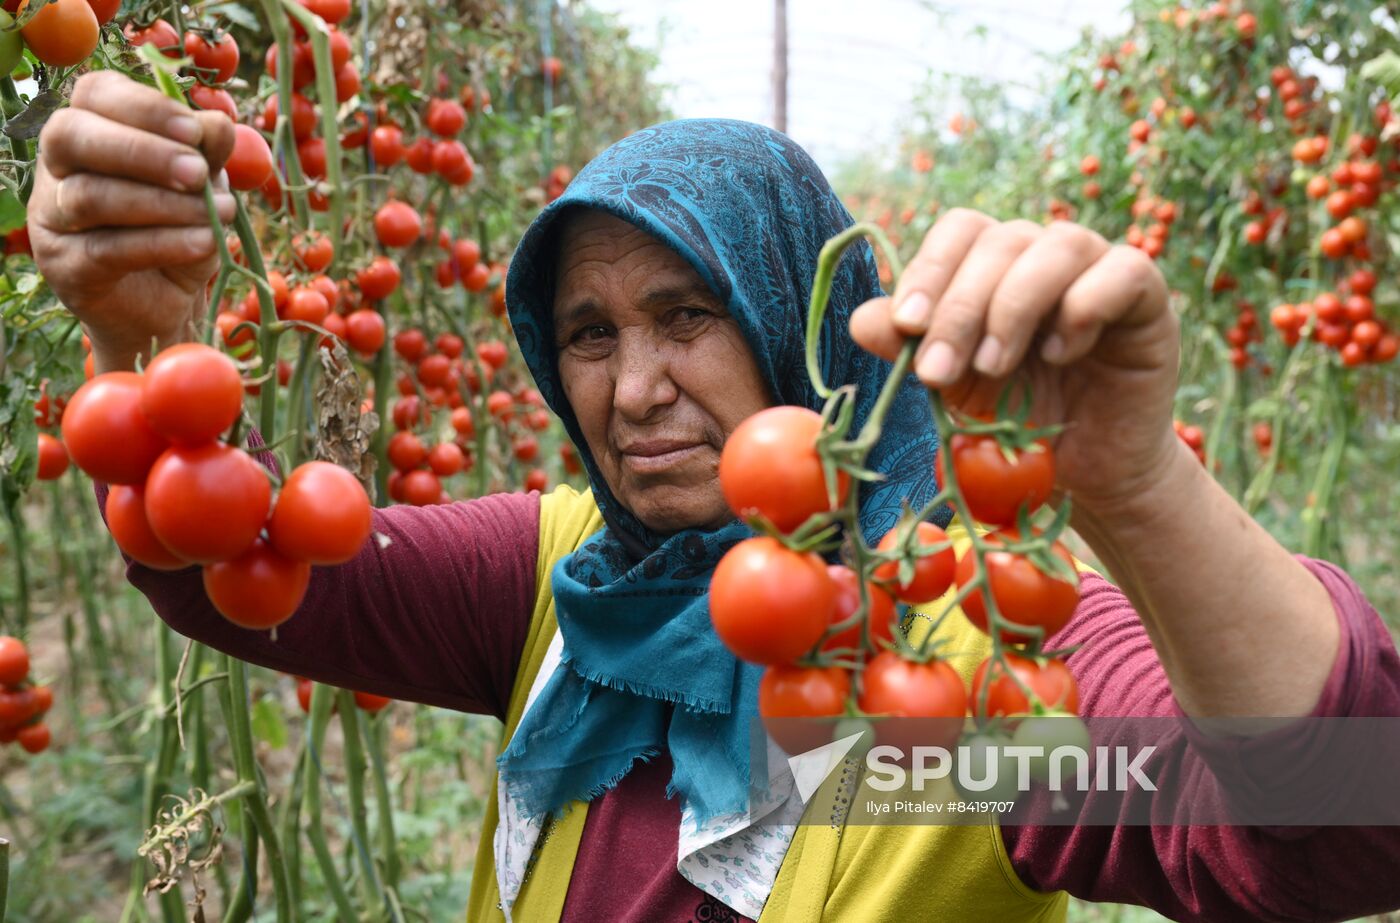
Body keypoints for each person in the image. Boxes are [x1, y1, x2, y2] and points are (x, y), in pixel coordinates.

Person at [29, 70, 1400, 922]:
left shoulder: (959, 652)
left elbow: (1343, 820)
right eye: (589, 335)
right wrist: (145, 346)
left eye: (689, 315)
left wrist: (1136, 486)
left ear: (800, 322)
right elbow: (239, 571)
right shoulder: (562, 578)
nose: (633, 391)